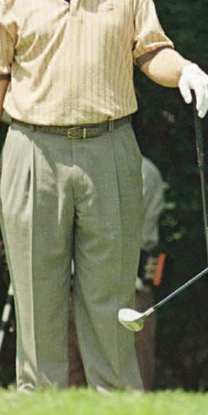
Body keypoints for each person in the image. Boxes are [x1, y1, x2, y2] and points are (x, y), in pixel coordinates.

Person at [0, 0, 208, 392]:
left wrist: (184, 70)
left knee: (112, 294)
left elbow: (152, 53)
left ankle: (115, 404)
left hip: (110, 147)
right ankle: (41, 405)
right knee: (37, 295)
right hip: (32, 149)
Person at [68, 155, 166, 389]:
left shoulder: (141, 171)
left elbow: (114, 234)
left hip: (126, 295)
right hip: (72, 292)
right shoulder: (73, 168)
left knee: (129, 390)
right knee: (67, 393)